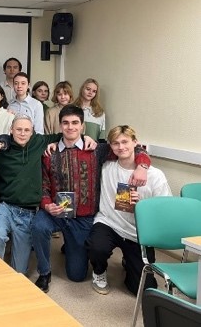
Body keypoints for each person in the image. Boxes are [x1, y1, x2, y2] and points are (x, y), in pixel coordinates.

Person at [31, 105, 150, 293]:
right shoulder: (49, 153)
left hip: (83, 219)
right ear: (60, 126)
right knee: (38, 225)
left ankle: (71, 245)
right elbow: (44, 186)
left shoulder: (97, 150)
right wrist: (47, 206)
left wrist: (142, 166)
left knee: (77, 275)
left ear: (82, 126)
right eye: (66, 123)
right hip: (56, 214)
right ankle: (44, 272)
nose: (70, 127)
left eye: (75, 123)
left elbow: (135, 149)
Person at [86, 125, 171, 295]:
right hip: (109, 222)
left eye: (125, 142)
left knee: (143, 289)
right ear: (111, 146)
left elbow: (165, 210)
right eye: (115, 143)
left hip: (138, 233)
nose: (121, 147)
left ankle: (129, 262)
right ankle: (99, 271)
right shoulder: (106, 166)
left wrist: (142, 206)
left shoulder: (155, 176)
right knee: (96, 247)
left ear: (135, 143)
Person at [0, 114, 61, 274]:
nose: (22, 133)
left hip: (28, 213)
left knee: (19, 272)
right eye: (18, 129)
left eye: (27, 130)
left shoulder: (39, 142)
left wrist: (86, 138)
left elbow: (66, 135)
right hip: (5, 207)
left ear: (32, 131)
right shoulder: (1, 147)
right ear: (11, 130)